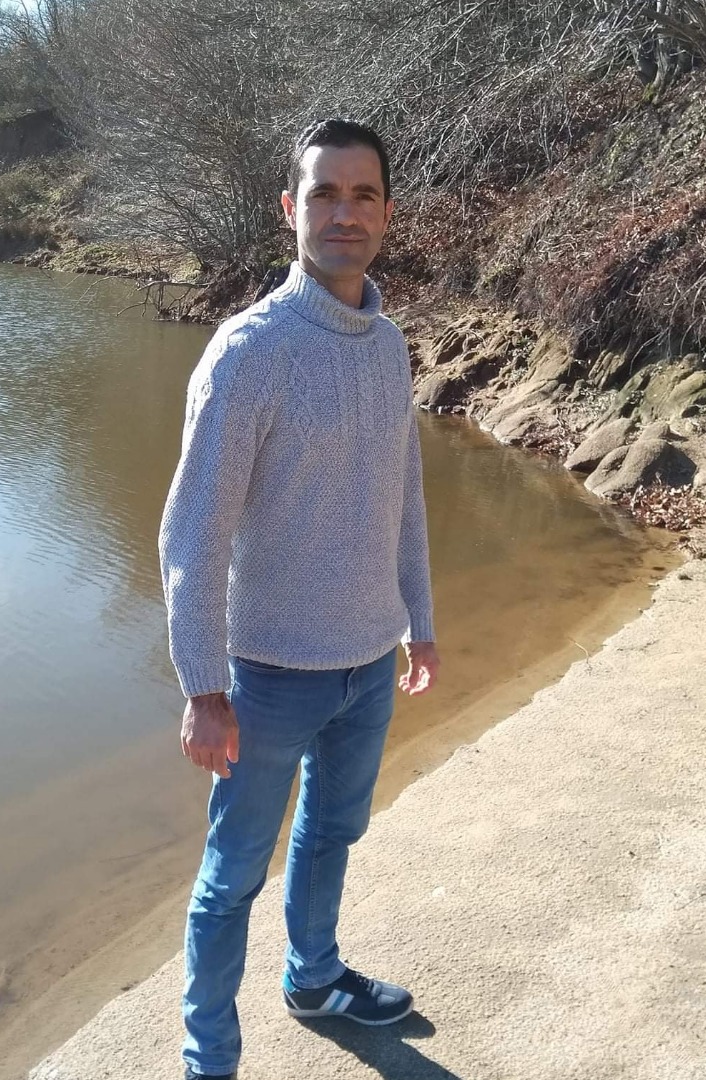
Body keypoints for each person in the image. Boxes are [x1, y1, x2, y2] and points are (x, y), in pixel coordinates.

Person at [159, 118, 441, 1080]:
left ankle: (314, 979)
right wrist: (203, 687)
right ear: (291, 209)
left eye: (363, 195)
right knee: (232, 876)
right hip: (268, 676)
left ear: (387, 215)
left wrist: (420, 623)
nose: (343, 214)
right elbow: (192, 534)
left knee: (332, 835)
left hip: (367, 665)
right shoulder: (250, 353)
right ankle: (210, 1058)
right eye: (325, 194)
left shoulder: (389, 346)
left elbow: (403, 498)